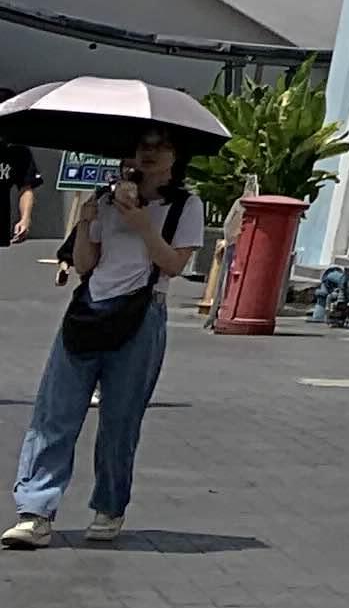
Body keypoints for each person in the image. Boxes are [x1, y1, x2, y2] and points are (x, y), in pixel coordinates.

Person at [5, 130, 204, 547]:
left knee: (120, 420)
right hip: (88, 310)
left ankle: (109, 507)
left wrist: (143, 225)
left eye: (160, 146)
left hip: (142, 316)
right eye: (142, 145)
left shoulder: (185, 206)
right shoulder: (106, 198)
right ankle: (35, 511)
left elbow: (174, 265)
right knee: (54, 412)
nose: (148, 153)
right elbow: (85, 264)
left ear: (175, 157)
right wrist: (85, 222)